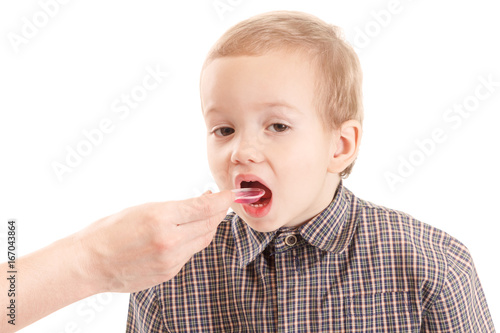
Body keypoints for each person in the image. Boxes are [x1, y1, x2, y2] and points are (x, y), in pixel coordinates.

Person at [126, 10, 496, 332]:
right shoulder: (166, 273)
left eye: (278, 126)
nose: (242, 151)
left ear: (340, 146)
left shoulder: (435, 267)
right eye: (225, 130)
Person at [0, 189, 234, 333]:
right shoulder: (168, 260)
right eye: (225, 130)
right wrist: (92, 261)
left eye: (273, 126)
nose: (242, 152)